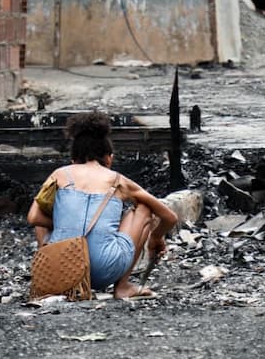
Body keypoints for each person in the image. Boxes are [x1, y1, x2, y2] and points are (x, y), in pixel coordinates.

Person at [27, 111, 178, 299]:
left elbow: (33, 217)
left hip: (62, 266)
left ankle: (54, 270)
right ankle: (122, 287)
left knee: (45, 208)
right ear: (109, 158)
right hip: (104, 270)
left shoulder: (59, 174)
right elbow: (170, 217)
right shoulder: (117, 180)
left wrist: (65, 223)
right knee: (144, 209)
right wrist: (156, 237)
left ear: (74, 160)